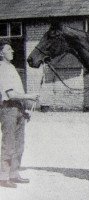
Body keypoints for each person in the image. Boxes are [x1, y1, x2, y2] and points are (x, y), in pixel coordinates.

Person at [0, 40, 39, 188]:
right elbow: (10, 94)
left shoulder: (11, 68)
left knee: (19, 144)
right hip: (8, 109)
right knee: (8, 144)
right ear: (1, 53)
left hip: (18, 109)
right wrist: (30, 97)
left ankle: (14, 174)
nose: (12, 51)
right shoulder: (2, 69)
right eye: (8, 49)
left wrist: (25, 110)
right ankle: (3, 177)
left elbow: (18, 93)